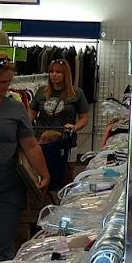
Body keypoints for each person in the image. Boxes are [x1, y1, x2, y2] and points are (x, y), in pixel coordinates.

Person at [0, 55, 48, 259]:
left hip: (7, 188)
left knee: (2, 244)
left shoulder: (15, 108)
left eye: (9, 82)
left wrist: (43, 173)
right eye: (2, 82)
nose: (7, 87)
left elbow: (30, 144)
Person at [33, 56, 90, 195]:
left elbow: (84, 118)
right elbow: (31, 113)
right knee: (42, 174)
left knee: (66, 176)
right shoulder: (41, 92)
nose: (54, 75)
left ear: (66, 74)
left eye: (58, 72)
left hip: (65, 141)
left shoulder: (76, 93)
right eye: (51, 72)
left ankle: (65, 201)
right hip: (42, 140)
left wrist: (74, 127)